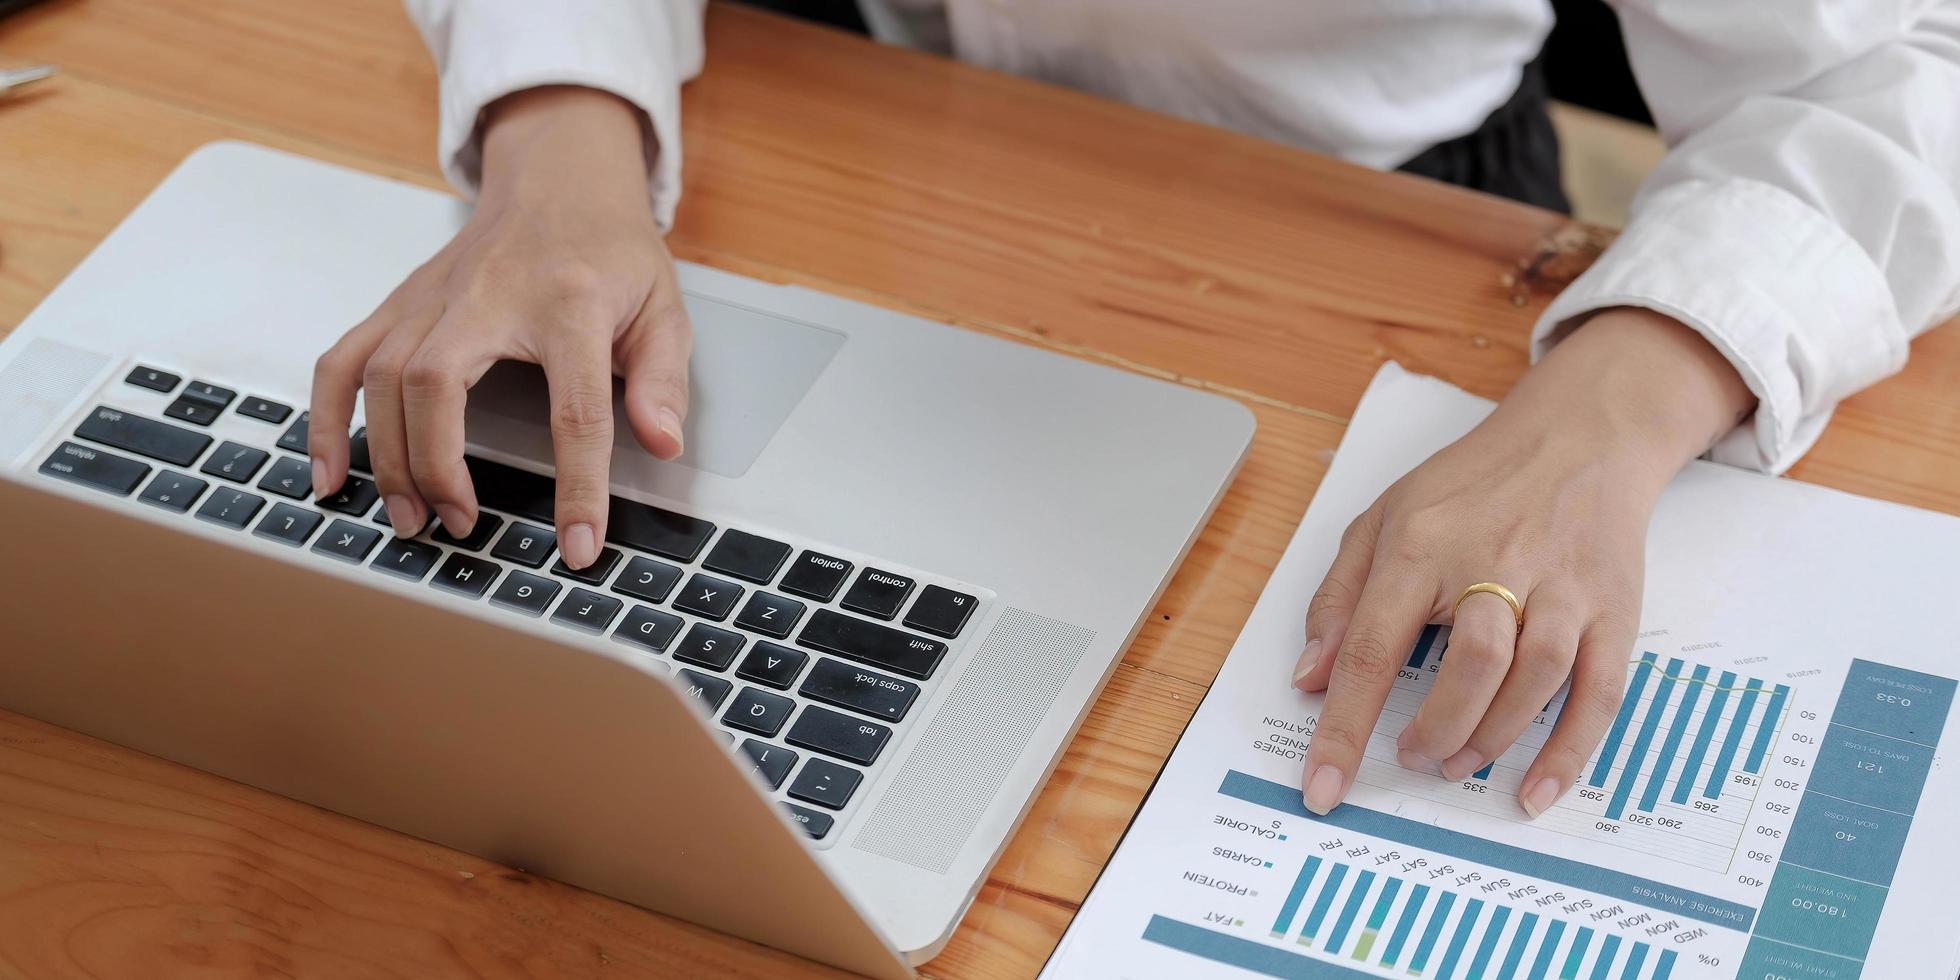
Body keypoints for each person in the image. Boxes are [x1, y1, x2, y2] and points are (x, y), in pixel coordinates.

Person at [307, 1, 1960, 822]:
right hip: (813, 125)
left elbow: (1909, 53)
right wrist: (557, 134)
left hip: (1362, 233)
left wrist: (1620, 393)